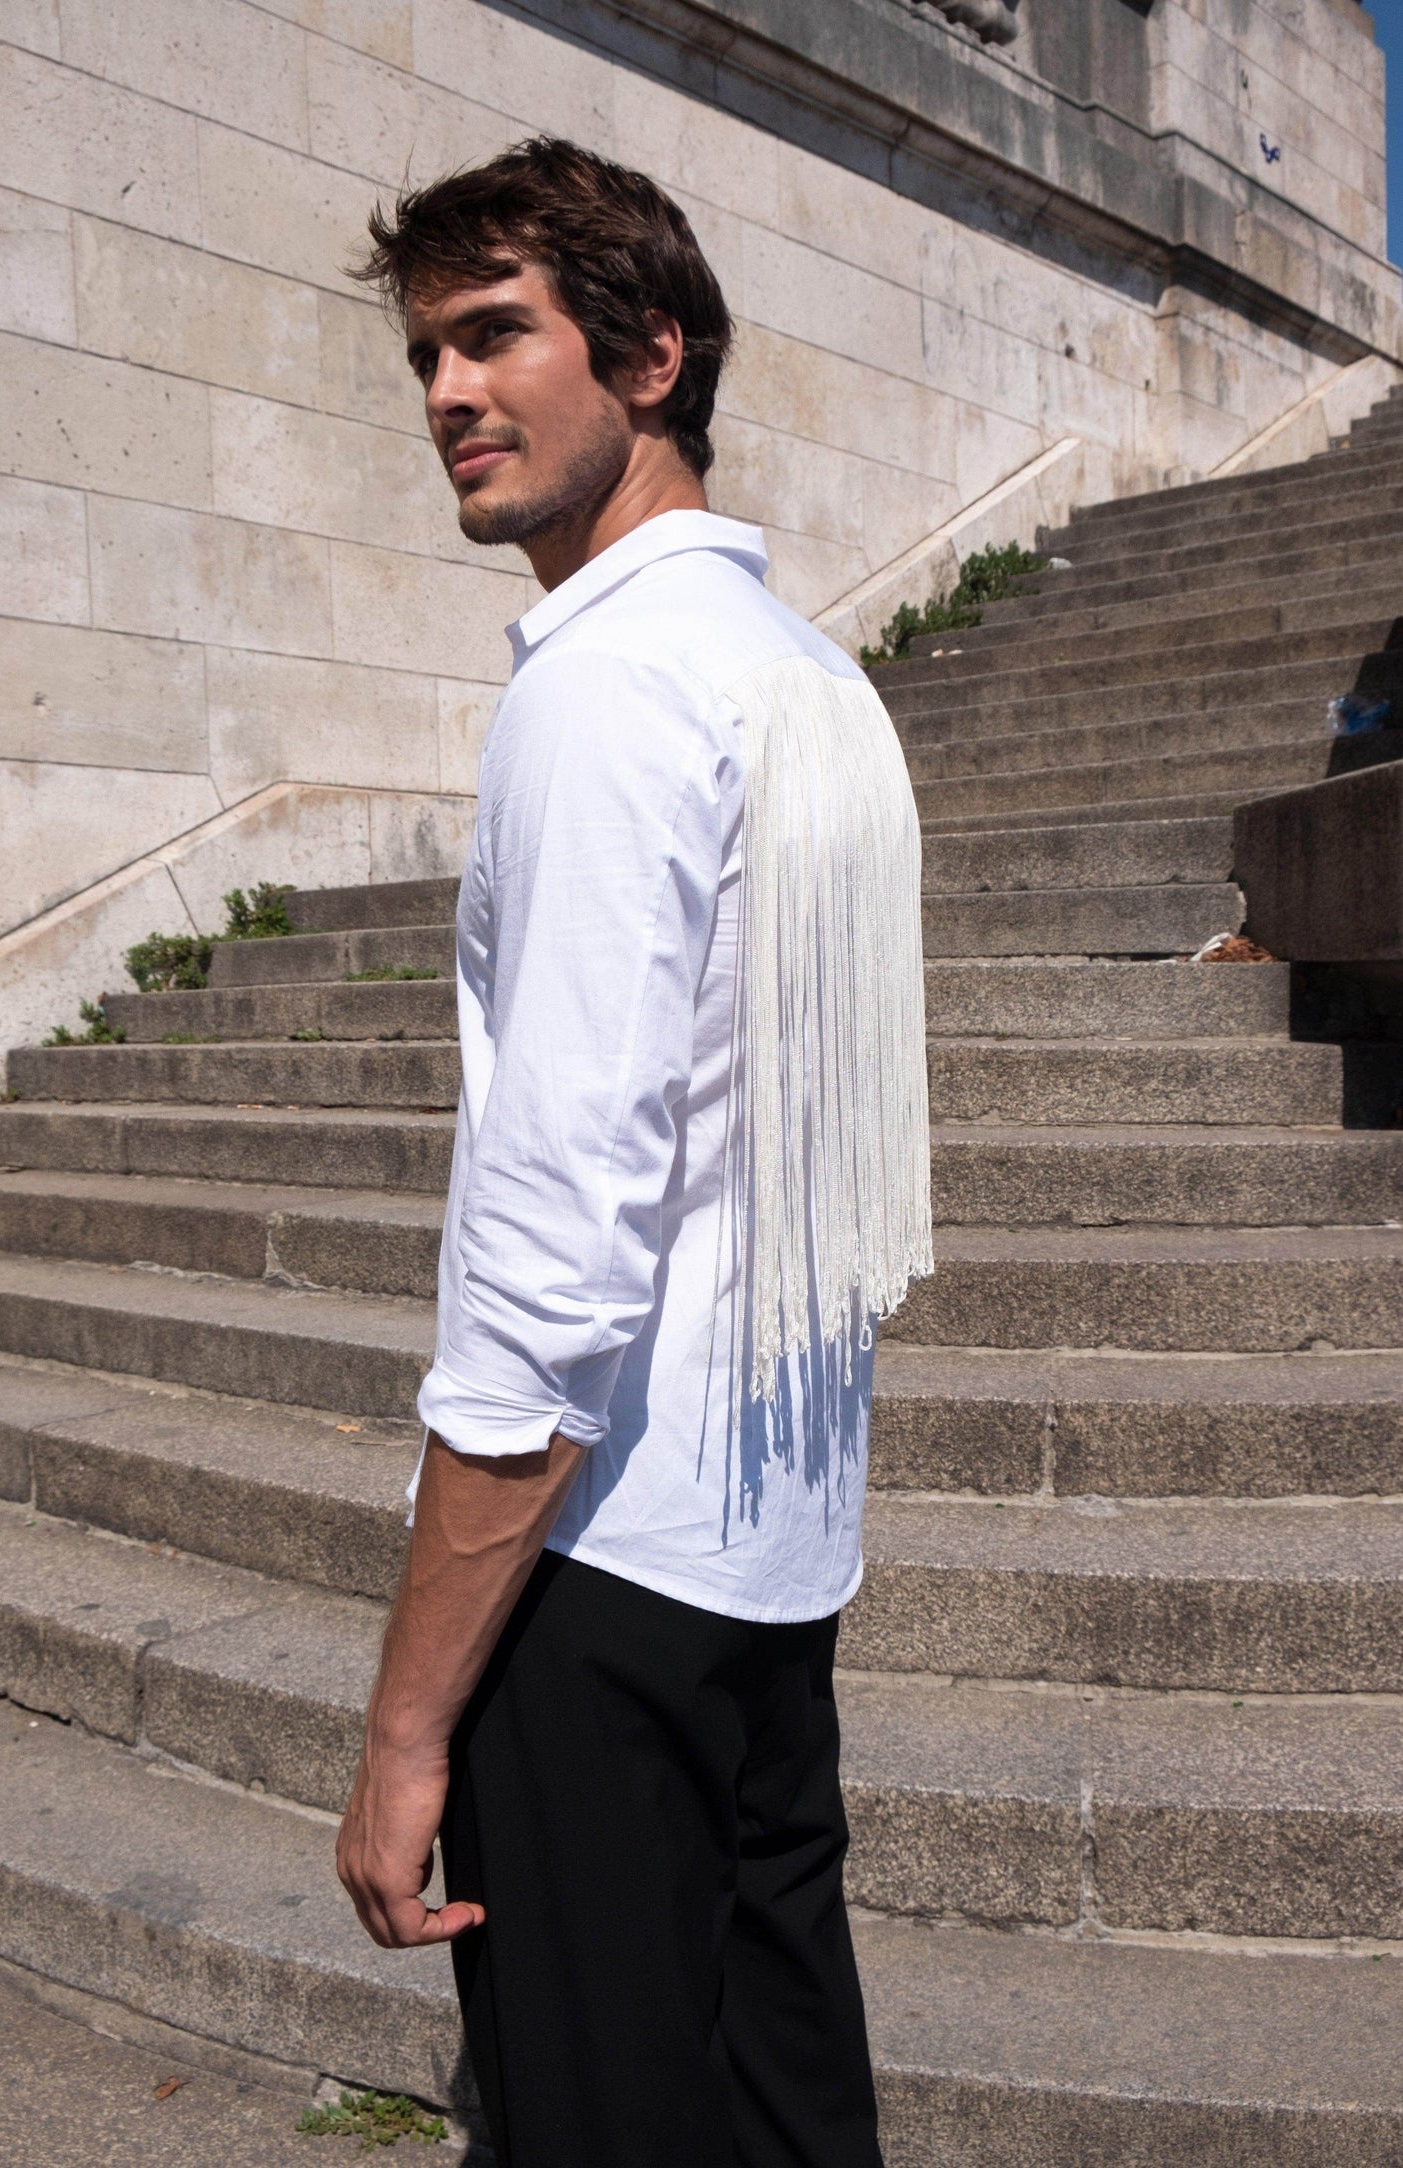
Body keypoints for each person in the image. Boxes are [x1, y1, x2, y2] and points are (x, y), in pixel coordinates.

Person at [336, 136, 933, 2168]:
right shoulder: (811, 675)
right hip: (768, 1562)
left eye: (495, 333)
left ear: (650, 354)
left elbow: (555, 1256)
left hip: (597, 1578)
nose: (448, 392)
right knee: (779, 2111)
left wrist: (406, 1726)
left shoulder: (603, 692)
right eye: (427, 353)